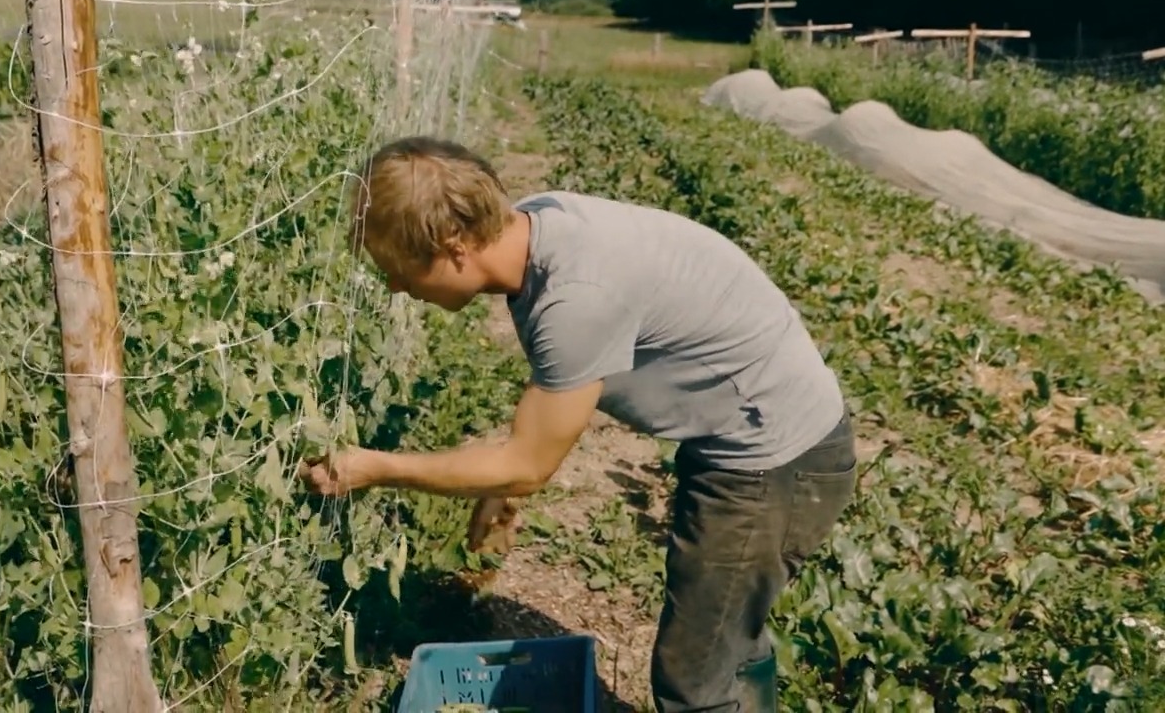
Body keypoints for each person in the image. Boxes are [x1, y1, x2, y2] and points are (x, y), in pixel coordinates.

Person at [297, 136, 858, 712]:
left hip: (776, 463)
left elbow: (529, 463)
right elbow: (560, 381)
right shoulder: (536, 225)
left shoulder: (576, 297)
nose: (395, 287)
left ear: (455, 245)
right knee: (728, 634)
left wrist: (376, 467)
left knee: (694, 675)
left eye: (399, 269)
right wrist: (498, 481)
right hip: (759, 434)